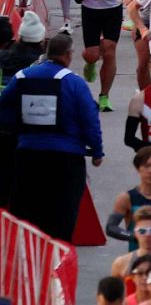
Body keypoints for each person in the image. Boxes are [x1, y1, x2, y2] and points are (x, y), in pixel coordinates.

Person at [0, 32, 105, 240]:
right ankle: (57, 265)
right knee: (62, 218)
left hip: (27, 156)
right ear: (68, 55)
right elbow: (89, 119)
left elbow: (4, 110)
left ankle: (28, 264)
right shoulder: (74, 83)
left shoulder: (21, 77)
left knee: (26, 218)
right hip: (66, 160)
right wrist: (97, 151)